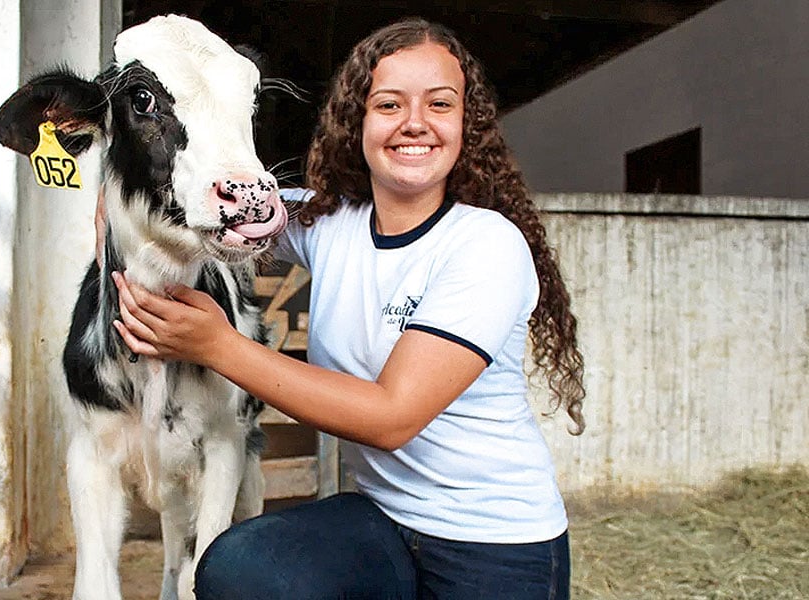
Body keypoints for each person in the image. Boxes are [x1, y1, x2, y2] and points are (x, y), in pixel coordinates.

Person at [106, 17, 585, 600]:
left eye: (440, 104)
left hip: (496, 548)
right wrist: (114, 192)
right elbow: (207, 197)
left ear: (467, 123)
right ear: (357, 120)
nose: (415, 123)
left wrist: (219, 347)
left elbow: (392, 418)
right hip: (382, 525)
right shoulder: (332, 225)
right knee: (238, 567)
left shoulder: (486, 245)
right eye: (389, 105)